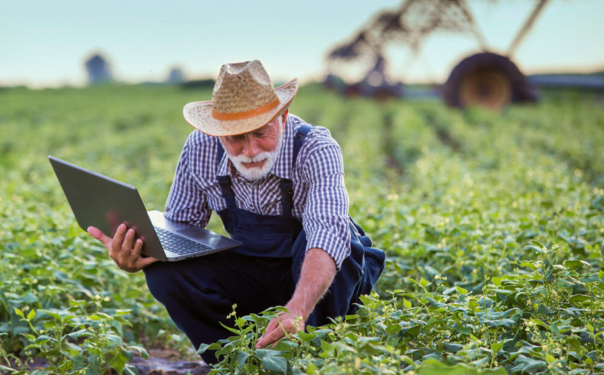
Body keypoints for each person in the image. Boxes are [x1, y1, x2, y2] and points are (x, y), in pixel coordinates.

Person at [88, 60, 386, 365]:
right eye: (236, 138)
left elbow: (327, 232)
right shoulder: (200, 149)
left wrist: (297, 307)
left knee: (341, 237)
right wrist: (138, 252)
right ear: (218, 134)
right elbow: (182, 234)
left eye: (260, 133)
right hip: (254, 274)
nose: (252, 150)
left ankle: (313, 359)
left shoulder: (314, 148)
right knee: (166, 270)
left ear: (282, 117)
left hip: (321, 285)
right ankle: (237, 363)